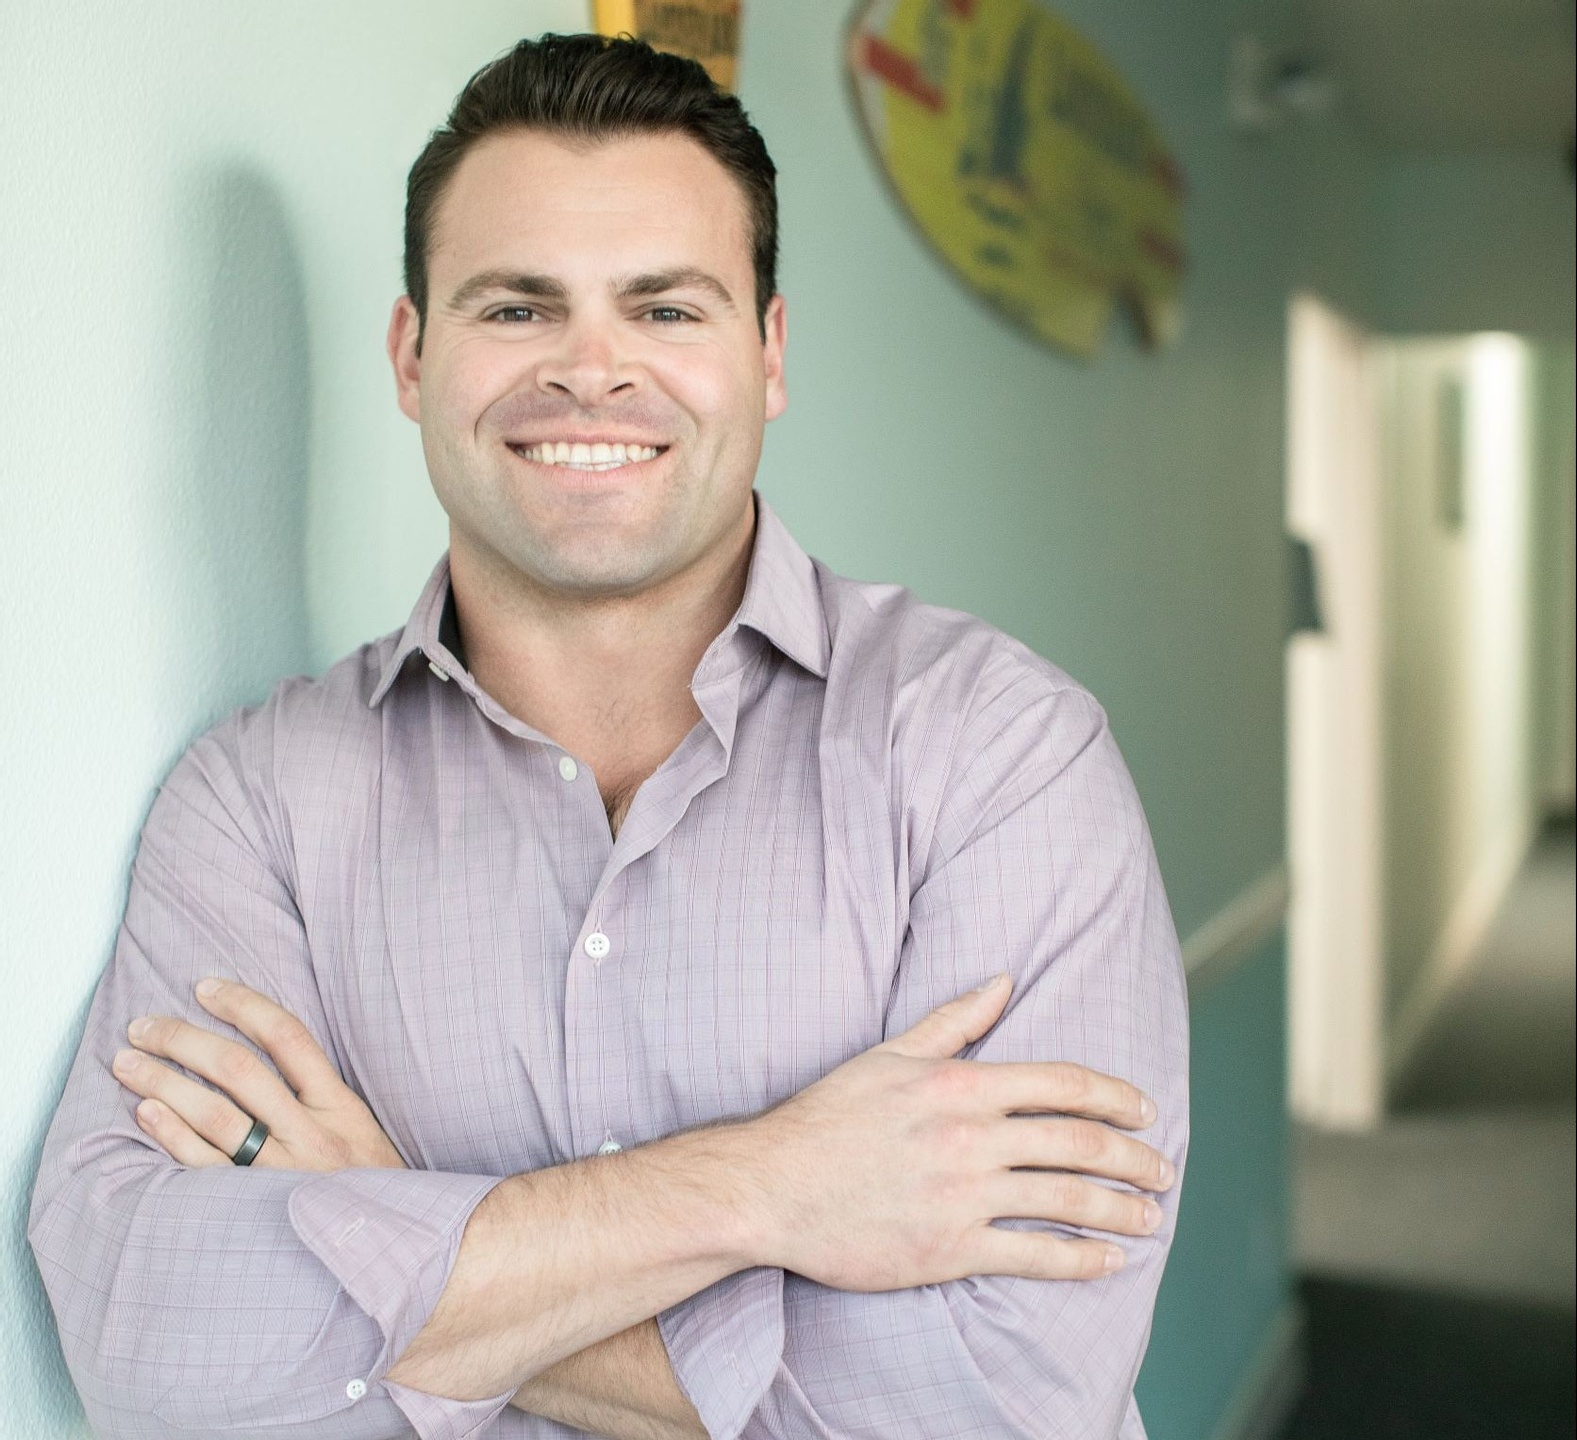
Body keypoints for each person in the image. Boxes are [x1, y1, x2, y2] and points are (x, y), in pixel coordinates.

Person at [30, 33, 1188, 1440]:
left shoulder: (996, 755)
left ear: (767, 355)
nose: (590, 371)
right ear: (412, 355)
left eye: (665, 308)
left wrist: (394, 1223)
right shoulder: (258, 803)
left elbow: (1005, 1398)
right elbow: (150, 1348)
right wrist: (767, 1184)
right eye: (518, 308)